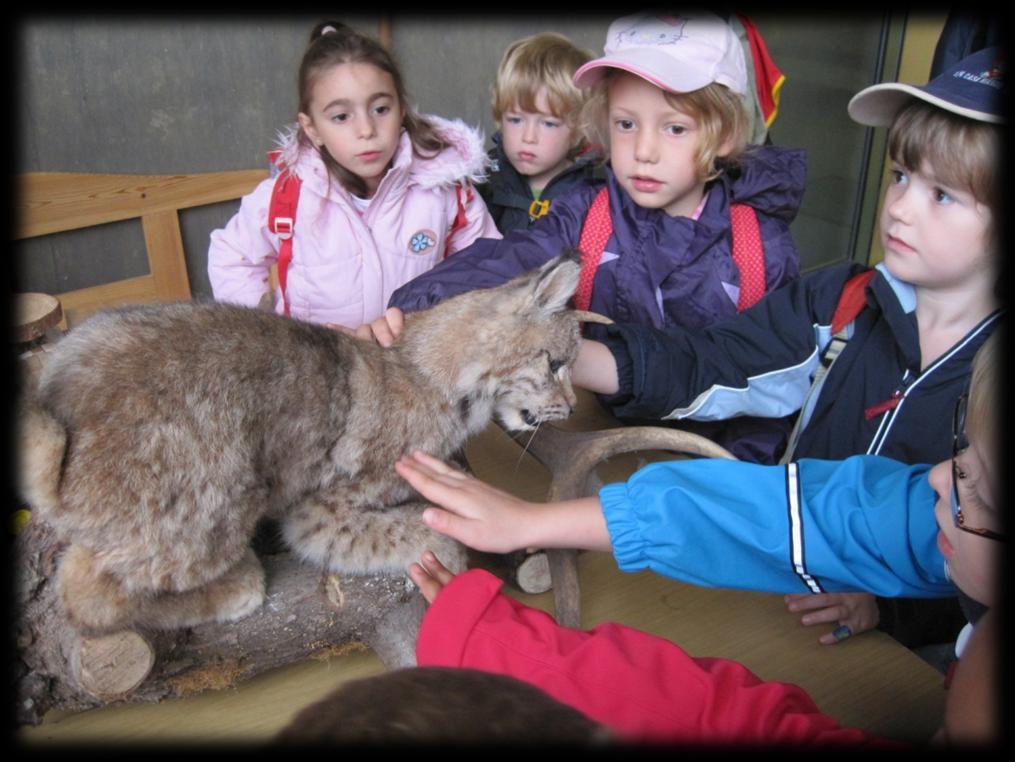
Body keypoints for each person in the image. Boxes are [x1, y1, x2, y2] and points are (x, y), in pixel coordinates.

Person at [560, 44, 1005, 647]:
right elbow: (716, 360)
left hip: (908, 660)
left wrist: (890, 611)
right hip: (780, 593)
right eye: (900, 176)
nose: (898, 207)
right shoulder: (843, 301)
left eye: (942, 195)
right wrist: (574, 355)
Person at [398, 328, 1002, 746]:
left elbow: (699, 717)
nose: (940, 477)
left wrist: (512, 647)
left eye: (980, 492)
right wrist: (532, 521)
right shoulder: (954, 522)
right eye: (961, 452)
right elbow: (794, 513)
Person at [366, 11, 807, 461]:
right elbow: (508, 258)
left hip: (701, 471)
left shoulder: (760, 250)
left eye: (674, 128)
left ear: (727, 133)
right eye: (626, 124)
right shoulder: (585, 213)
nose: (644, 151)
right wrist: (419, 305)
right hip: (587, 444)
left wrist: (744, 480)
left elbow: (770, 376)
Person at [207, 20, 500, 329]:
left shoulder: (446, 191)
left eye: (380, 109)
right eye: (341, 116)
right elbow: (232, 258)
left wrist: (440, 324)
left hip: (409, 364)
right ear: (312, 128)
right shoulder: (287, 197)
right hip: (317, 368)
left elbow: (488, 265)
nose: (366, 130)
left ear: (401, 108)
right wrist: (272, 336)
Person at [479, 32, 604, 234]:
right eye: (516, 120)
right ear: (499, 117)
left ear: (579, 131)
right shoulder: (484, 179)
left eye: (548, 124)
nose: (528, 137)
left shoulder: (594, 190)